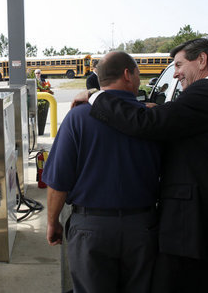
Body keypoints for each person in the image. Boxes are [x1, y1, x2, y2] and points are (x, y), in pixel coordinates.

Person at [74, 38, 208, 292]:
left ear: (202, 60)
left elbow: (149, 124)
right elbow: (181, 121)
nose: (176, 72)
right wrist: (162, 109)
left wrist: (97, 97)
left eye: (180, 64)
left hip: (196, 230)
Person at [44, 51, 161, 292]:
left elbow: (58, 183)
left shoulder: (77, 117)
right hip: (142, 229)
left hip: (90, 230)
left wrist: (52, 222)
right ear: (127, 75)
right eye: (138, 74)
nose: (140, 80)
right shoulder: (153, 118)